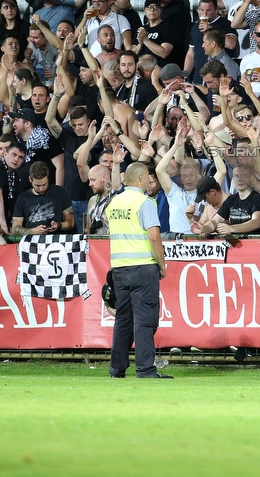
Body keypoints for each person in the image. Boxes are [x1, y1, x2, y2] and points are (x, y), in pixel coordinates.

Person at [106, 162, 171, 379]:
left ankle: (117, 369)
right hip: (142, 267)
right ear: (142, 178)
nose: (150, 183)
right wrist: (161, 265)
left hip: (119, 268)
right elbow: (154, 236)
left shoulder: (114, 203)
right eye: (149, 179)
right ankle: (145, 369)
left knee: (123, 319)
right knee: (144, 320)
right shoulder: (145, 202)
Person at [193, 165, 260, 236]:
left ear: (252, 178)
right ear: (233, 179)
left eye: (244, 175)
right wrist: (203, 229)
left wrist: (231, 228)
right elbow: (215, 221)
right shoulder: (231, 200)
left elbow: (256, 223)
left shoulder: (259, 198)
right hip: (235, 248)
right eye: (237, 176)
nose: (240, 179)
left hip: (256, 246)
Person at [11, 162, 74, 235]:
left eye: (44, 184)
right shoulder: (22, 198)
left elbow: (71, 222)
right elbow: (15, 228)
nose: (41, 189)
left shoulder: (60, 192)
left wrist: (59, 225)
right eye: (37, 185)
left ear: (48, 178)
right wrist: (33, 231)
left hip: (56, 240)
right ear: (30, 179)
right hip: (32, 240)